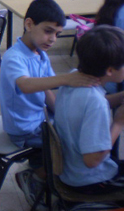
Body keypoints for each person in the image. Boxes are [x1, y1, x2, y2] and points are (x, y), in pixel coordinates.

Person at [0, 0, 99, 206]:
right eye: (48, 31)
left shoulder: (40, 54)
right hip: (24, 129)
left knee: (74, 130)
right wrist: (67, 79)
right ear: (29, 24)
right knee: (71, 148)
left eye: (57, 34)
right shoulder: (13, 57)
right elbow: (26, 85)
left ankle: (44, 168)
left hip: (39, 119)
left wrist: (62, 113)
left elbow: (47, 91)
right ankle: (34, 177)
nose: (53, 39)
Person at [54, 25, 124, 195]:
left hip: (70, 169)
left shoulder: (73, 78)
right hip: (89, 180)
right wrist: (118, 123)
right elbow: (92, 161)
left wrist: (121, 97)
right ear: (110, 70)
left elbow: (89, 107)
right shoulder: (96, 103)